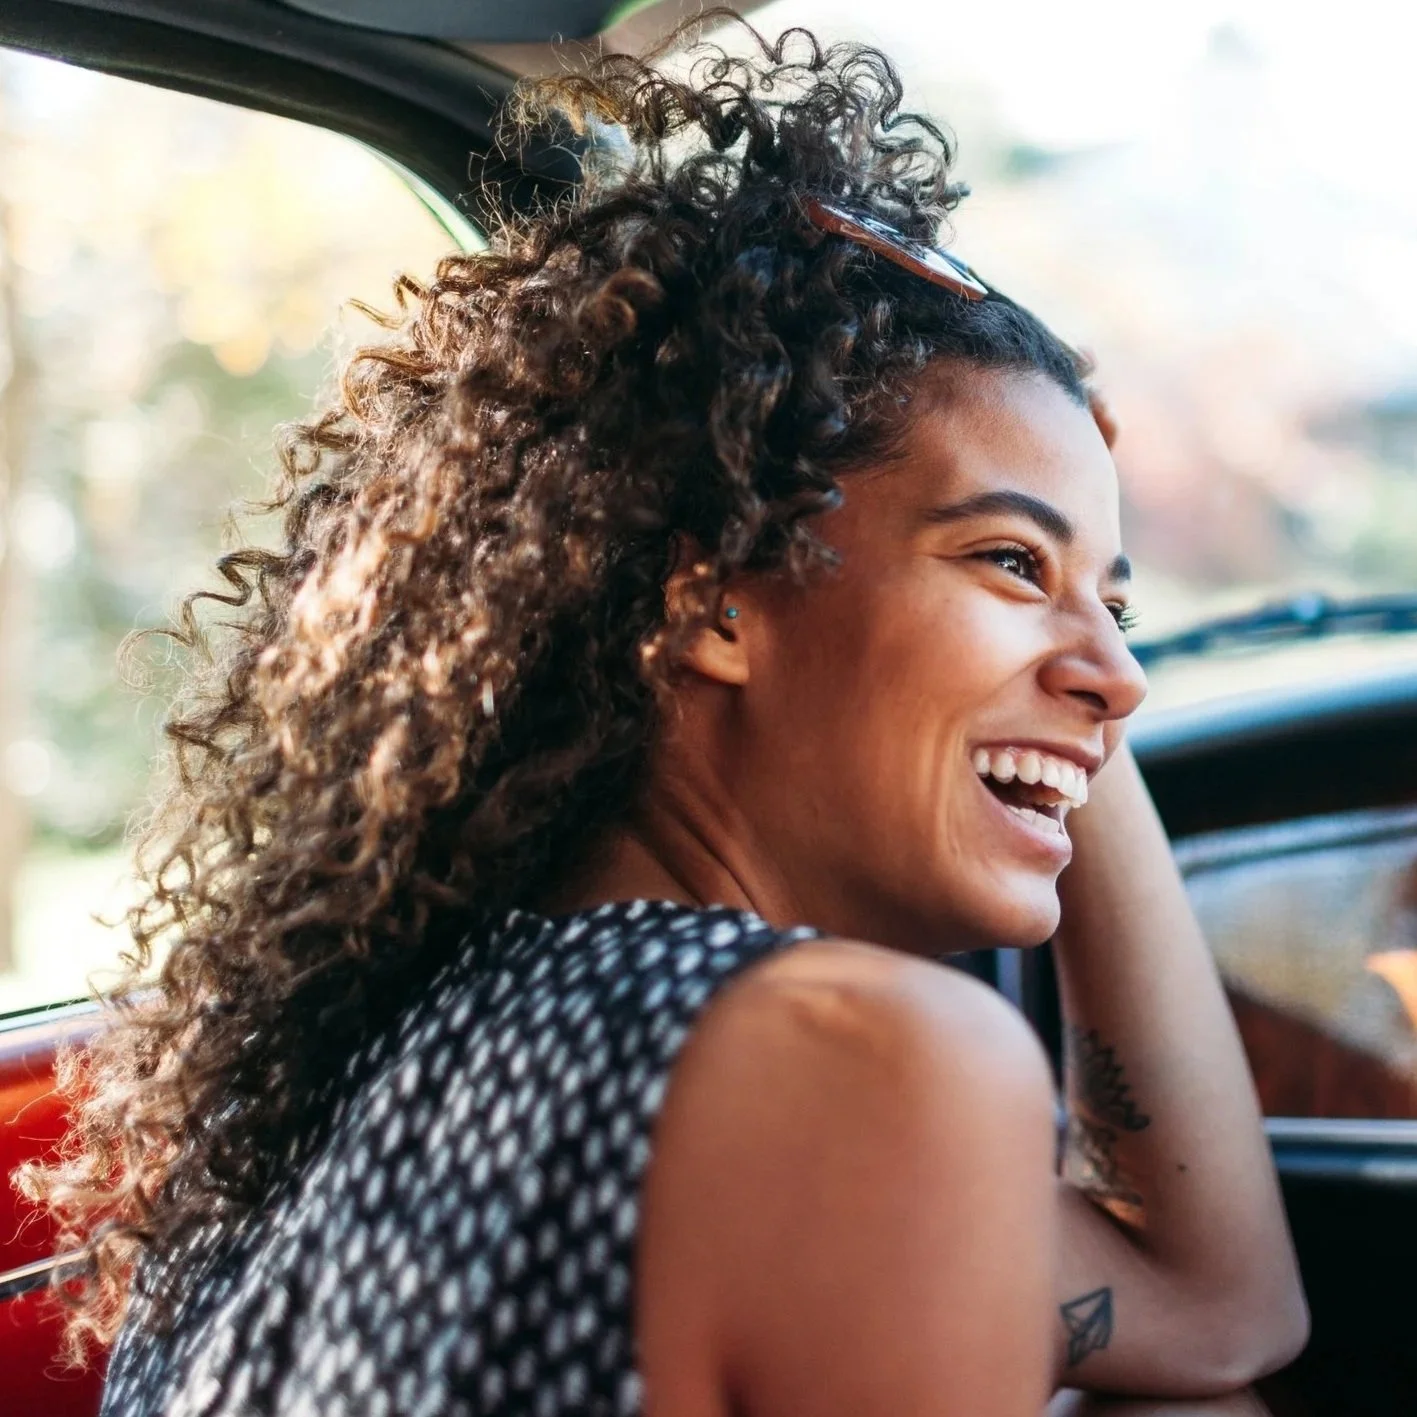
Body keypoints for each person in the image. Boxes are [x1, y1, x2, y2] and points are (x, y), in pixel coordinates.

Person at [23, 17, 1308, 1416]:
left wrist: (1053, 662)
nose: (1123, 676)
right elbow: (1225, 1314)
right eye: (1006, 559)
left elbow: (1211, 1310)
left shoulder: (363, 1066)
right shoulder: (860, 1068)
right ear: (711, 602)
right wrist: (1056, 672)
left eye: (1117, 612)